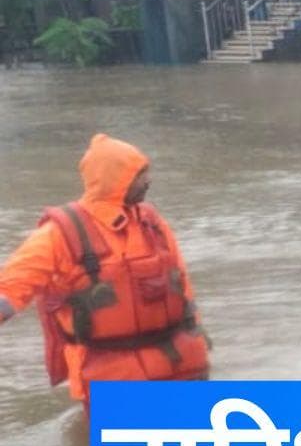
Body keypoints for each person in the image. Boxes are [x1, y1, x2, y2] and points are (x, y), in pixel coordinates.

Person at [0, 134, 210, 403]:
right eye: (139, 174)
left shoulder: (152, 222)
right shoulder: (60, 234)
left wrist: (198, 340)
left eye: (146, 171)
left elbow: (182, 287)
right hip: (114, 378)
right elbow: (12, 289)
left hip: (179, 366)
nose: (148, 180)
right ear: (115, 179)